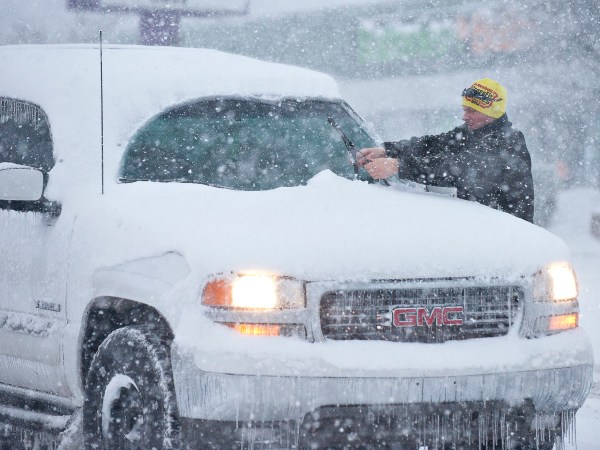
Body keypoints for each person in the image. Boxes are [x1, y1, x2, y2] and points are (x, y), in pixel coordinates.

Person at [357, 78, 535, 223]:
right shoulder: (472, 132)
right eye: (464, 110)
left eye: (471, 111)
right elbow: (432, 144)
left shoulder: (506, 143)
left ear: (491, 112)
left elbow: (453, 168)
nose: (464, 116)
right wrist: (388, 150)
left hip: (507, 235)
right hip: (481, 225)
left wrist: (398, 166)